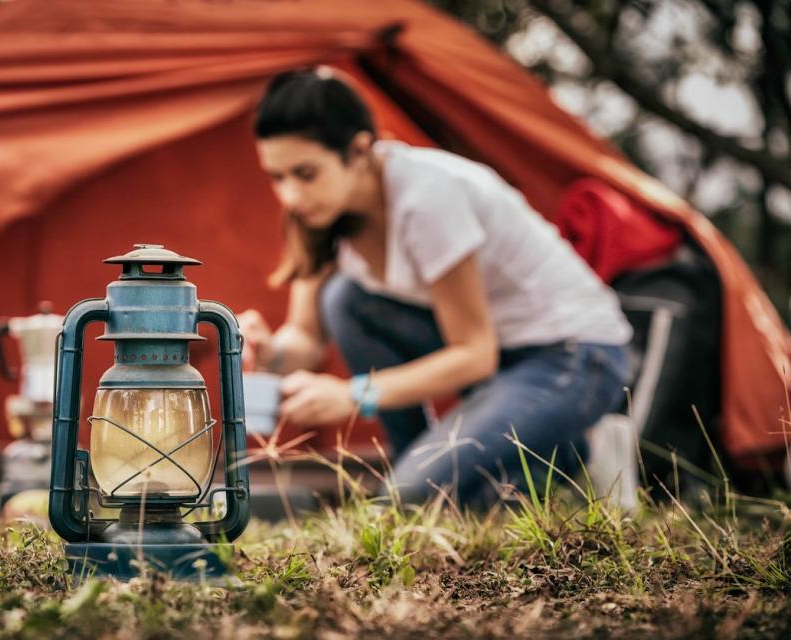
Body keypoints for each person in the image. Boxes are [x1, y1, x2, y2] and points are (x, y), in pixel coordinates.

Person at [238, 68, 633, 506]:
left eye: (305, 173)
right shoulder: (319, 214)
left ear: (359, 150)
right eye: (277, 177)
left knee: (411, 496)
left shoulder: (427, 199)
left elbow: (474, 354)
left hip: (575, 357)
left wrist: (354, 395)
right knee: (344, 300)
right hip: (501, 360)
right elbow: (307, 337)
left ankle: (579, 452)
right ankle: (533, 457)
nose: (290, 195)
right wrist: (269, 352)